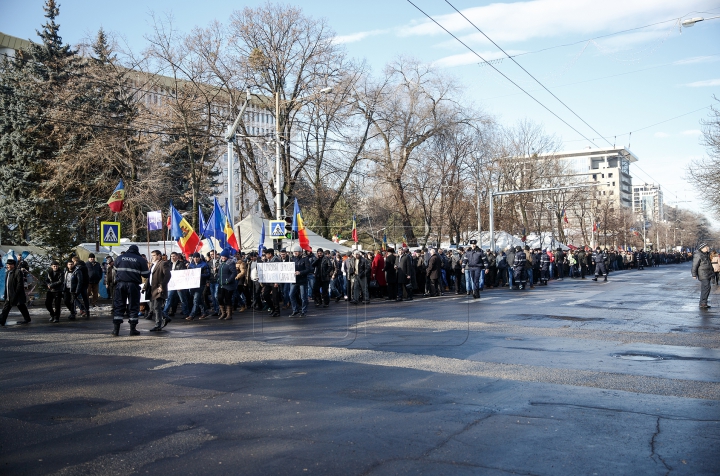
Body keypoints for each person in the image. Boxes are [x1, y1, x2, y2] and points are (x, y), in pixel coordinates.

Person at [111, 245, 150, 336]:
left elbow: (115, 270)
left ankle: (116, 330)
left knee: (119, 305)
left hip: (120, 284)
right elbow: (146, 275)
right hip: (133, 285)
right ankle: (133, 330)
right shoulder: (140, 259)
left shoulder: (120, 258)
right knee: (133, 305)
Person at [1, 259, 31, 326]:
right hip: (9, 295)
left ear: (13, 265)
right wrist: (6, 294)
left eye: (9, 265)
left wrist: (15, 294)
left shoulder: (18, 272)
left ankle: (27, 319)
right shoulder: (8, 272)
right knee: (5, 309)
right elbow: (7, 284)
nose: (7, 266)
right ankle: (2, 321)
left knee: (21, 306)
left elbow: (19, 284)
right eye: (7, 265)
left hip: (17, 294)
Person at [187, 252, 210, 320]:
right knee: (198, 299)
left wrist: (201, 276)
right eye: (194, 257)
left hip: (200, 284)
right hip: (192, 284)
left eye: (197, 257)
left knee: (196, 300)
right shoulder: (191, 265)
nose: (195, 259)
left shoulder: (204, 265)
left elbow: (208, 274)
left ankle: (192, 315)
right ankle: (205, 312)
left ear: (199, 258)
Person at [289, 245, 311, 317]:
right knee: (291, 295)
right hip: (294, 280)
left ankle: (304, 311)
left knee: (303, 297)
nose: (295, 253)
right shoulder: (293, 259)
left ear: (300, 252)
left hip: (302, 280)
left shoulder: (305, 259)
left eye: (297, 251)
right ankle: (295, 310)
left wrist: (300, 272)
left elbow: (308, 269)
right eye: (294, 251)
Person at [217, 248, 238, 320]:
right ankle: (223, 313)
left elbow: (234, 273)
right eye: (222, 256)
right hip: (221, 284)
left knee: (227, 299)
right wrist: (218, 278)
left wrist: (228, 281)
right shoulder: (221, 263)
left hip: (228, 285)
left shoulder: (230, 263)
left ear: (227, 257)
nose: (223, 258)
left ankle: (229, 314)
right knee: (219, 298)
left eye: (224, 256)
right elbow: (219, 273)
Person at [692, 243, 714, 309]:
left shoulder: (706, 254)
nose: (708, 248)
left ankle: (703, 302)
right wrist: (694, 274)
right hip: (703, 274)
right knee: (706, 287)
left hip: (707, 273)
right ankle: (703, 303)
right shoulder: (698, 255)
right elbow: (694, 265)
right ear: (703, 248)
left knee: (705, 288)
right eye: (707, 247)